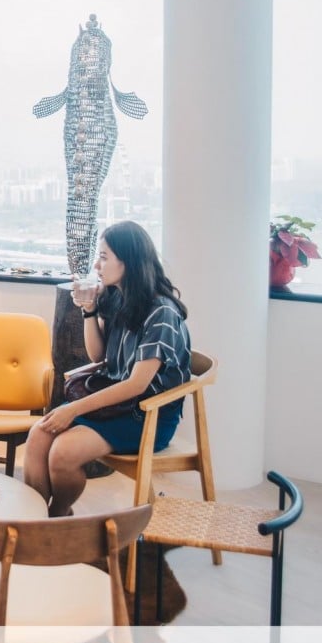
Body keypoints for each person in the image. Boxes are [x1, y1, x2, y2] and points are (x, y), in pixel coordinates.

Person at [23, 220, 191, 518]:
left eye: (104, 257)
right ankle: (35, 520)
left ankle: (58, 518)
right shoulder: (116, 296)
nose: (97, 266)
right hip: (112, 404)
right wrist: (89, 310)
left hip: (146, 414)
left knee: (63, 453)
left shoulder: (162, 312)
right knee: (38, 436)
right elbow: (98, 354)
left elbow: (137, 385)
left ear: (130, 262)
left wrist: (73, 410)